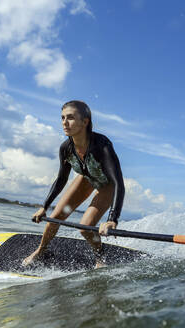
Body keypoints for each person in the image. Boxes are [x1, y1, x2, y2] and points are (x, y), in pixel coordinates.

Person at [23, 100, 125, 268]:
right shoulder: (66, 148)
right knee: (55, 218)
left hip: (107, 184)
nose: (64, 122)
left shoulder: (102, 145)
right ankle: (41, 251)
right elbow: (61, 179)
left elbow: (118, 182)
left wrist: (112, 219)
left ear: (85, 122)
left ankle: (100, 257)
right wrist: (44, 207)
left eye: (70, 118)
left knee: (85, 227)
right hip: (86, 179)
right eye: (62, 118)